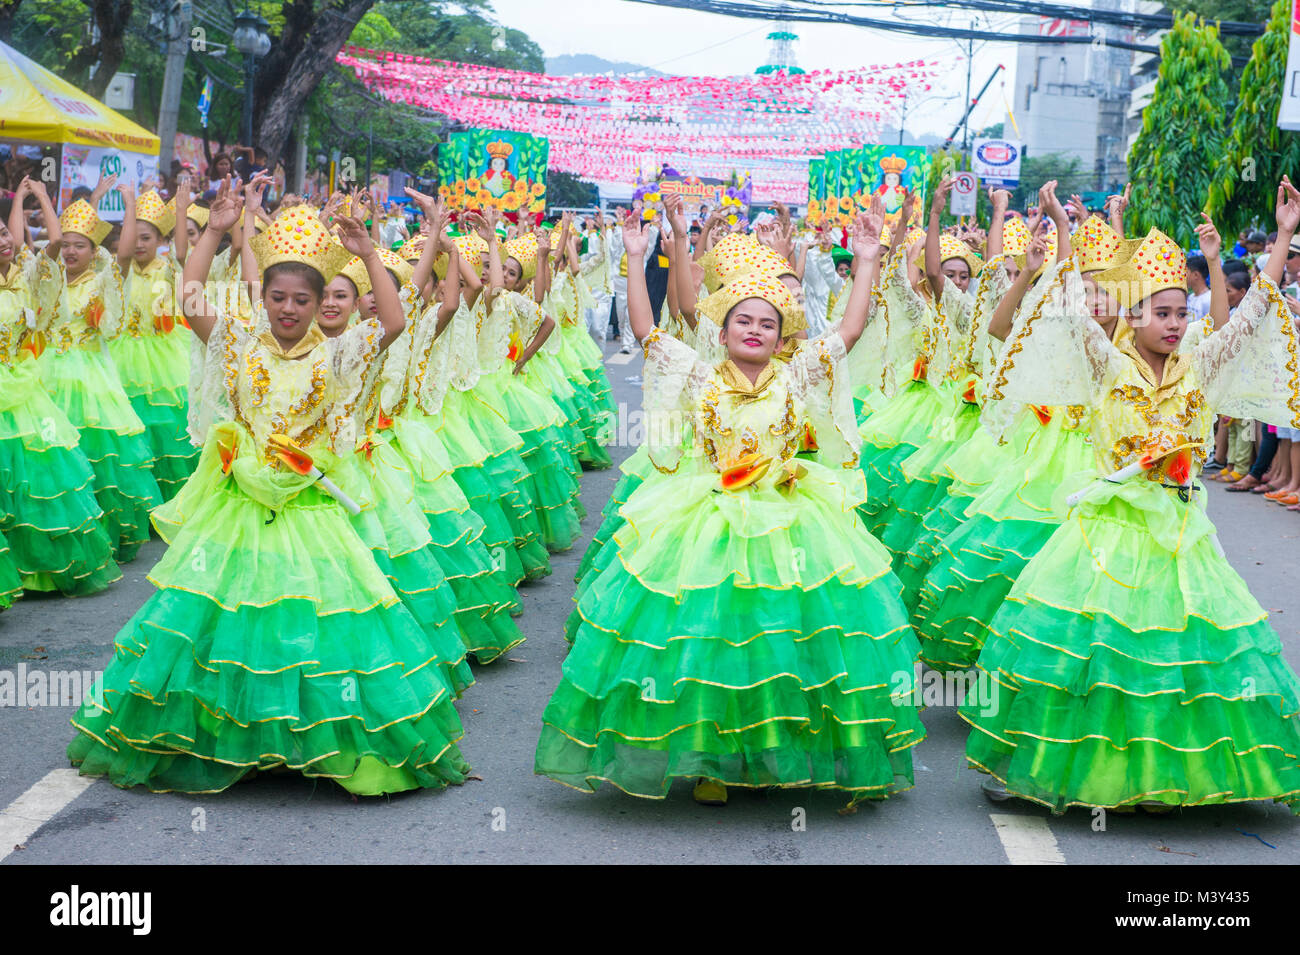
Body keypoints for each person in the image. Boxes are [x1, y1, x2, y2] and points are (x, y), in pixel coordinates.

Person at [67, 179, 473, 795]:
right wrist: (214, 231)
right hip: (238, 507)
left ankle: (305, 740)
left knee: (313, 625)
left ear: (316, 306)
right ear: (265, 298)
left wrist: (367, 255)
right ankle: (232, 737)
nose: (288, 309)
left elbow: (392, 321)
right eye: (278, 297)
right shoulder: (238, 346)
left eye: (301, 300)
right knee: (226, 620)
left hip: (307, 507)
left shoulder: (337, 357)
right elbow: (192, 303)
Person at [536, 205, 925, 809]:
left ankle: (773, 752)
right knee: (710, 638)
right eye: (743, 321)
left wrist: (869, 261)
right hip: (710, 518)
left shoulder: (797, 375)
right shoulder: (699, 375)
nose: (754, 331)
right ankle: (711, 757)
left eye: (767, 325)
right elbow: (646, 333)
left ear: (780, 337)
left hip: (790, 518)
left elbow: (847, 333)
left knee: (782, 638)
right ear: (722, 331)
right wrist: (638, 259)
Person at [963, 176, 1300, 814]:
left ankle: (1165, 774)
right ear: (1130, 313)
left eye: (1180, 312)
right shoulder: (1106, 365)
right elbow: (1065, 299)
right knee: (1095, 648)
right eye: (1159, 312)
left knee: (1172, 648)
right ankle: (1050, 763)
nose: (1174, 324)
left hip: (1179, 532)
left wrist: (1282, 236)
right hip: (1108, 531)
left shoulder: (1201, 366)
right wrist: (1061, 229)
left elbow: (1254, 312)